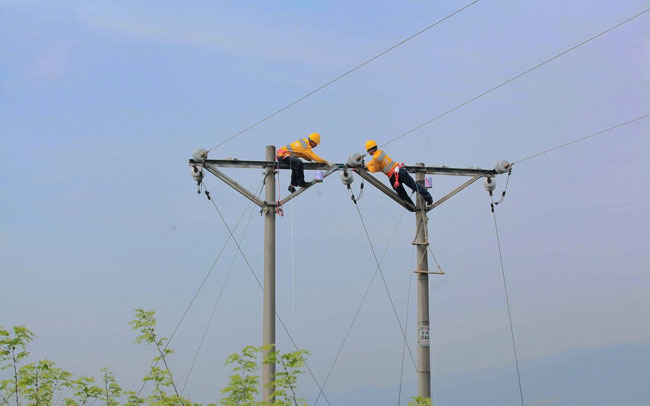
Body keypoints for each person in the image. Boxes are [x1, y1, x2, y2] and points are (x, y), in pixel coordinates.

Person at [364, 140, 433, 210]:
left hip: (393, 177)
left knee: (402, 193)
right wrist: (367, 164)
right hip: (400, 171)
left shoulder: (376, 158)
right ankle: (428, 197)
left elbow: (374, 169)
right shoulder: (380, 152)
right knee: (414, 186)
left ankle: (411, 207)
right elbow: (373, 162)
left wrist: (367, 166)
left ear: (370, 150)